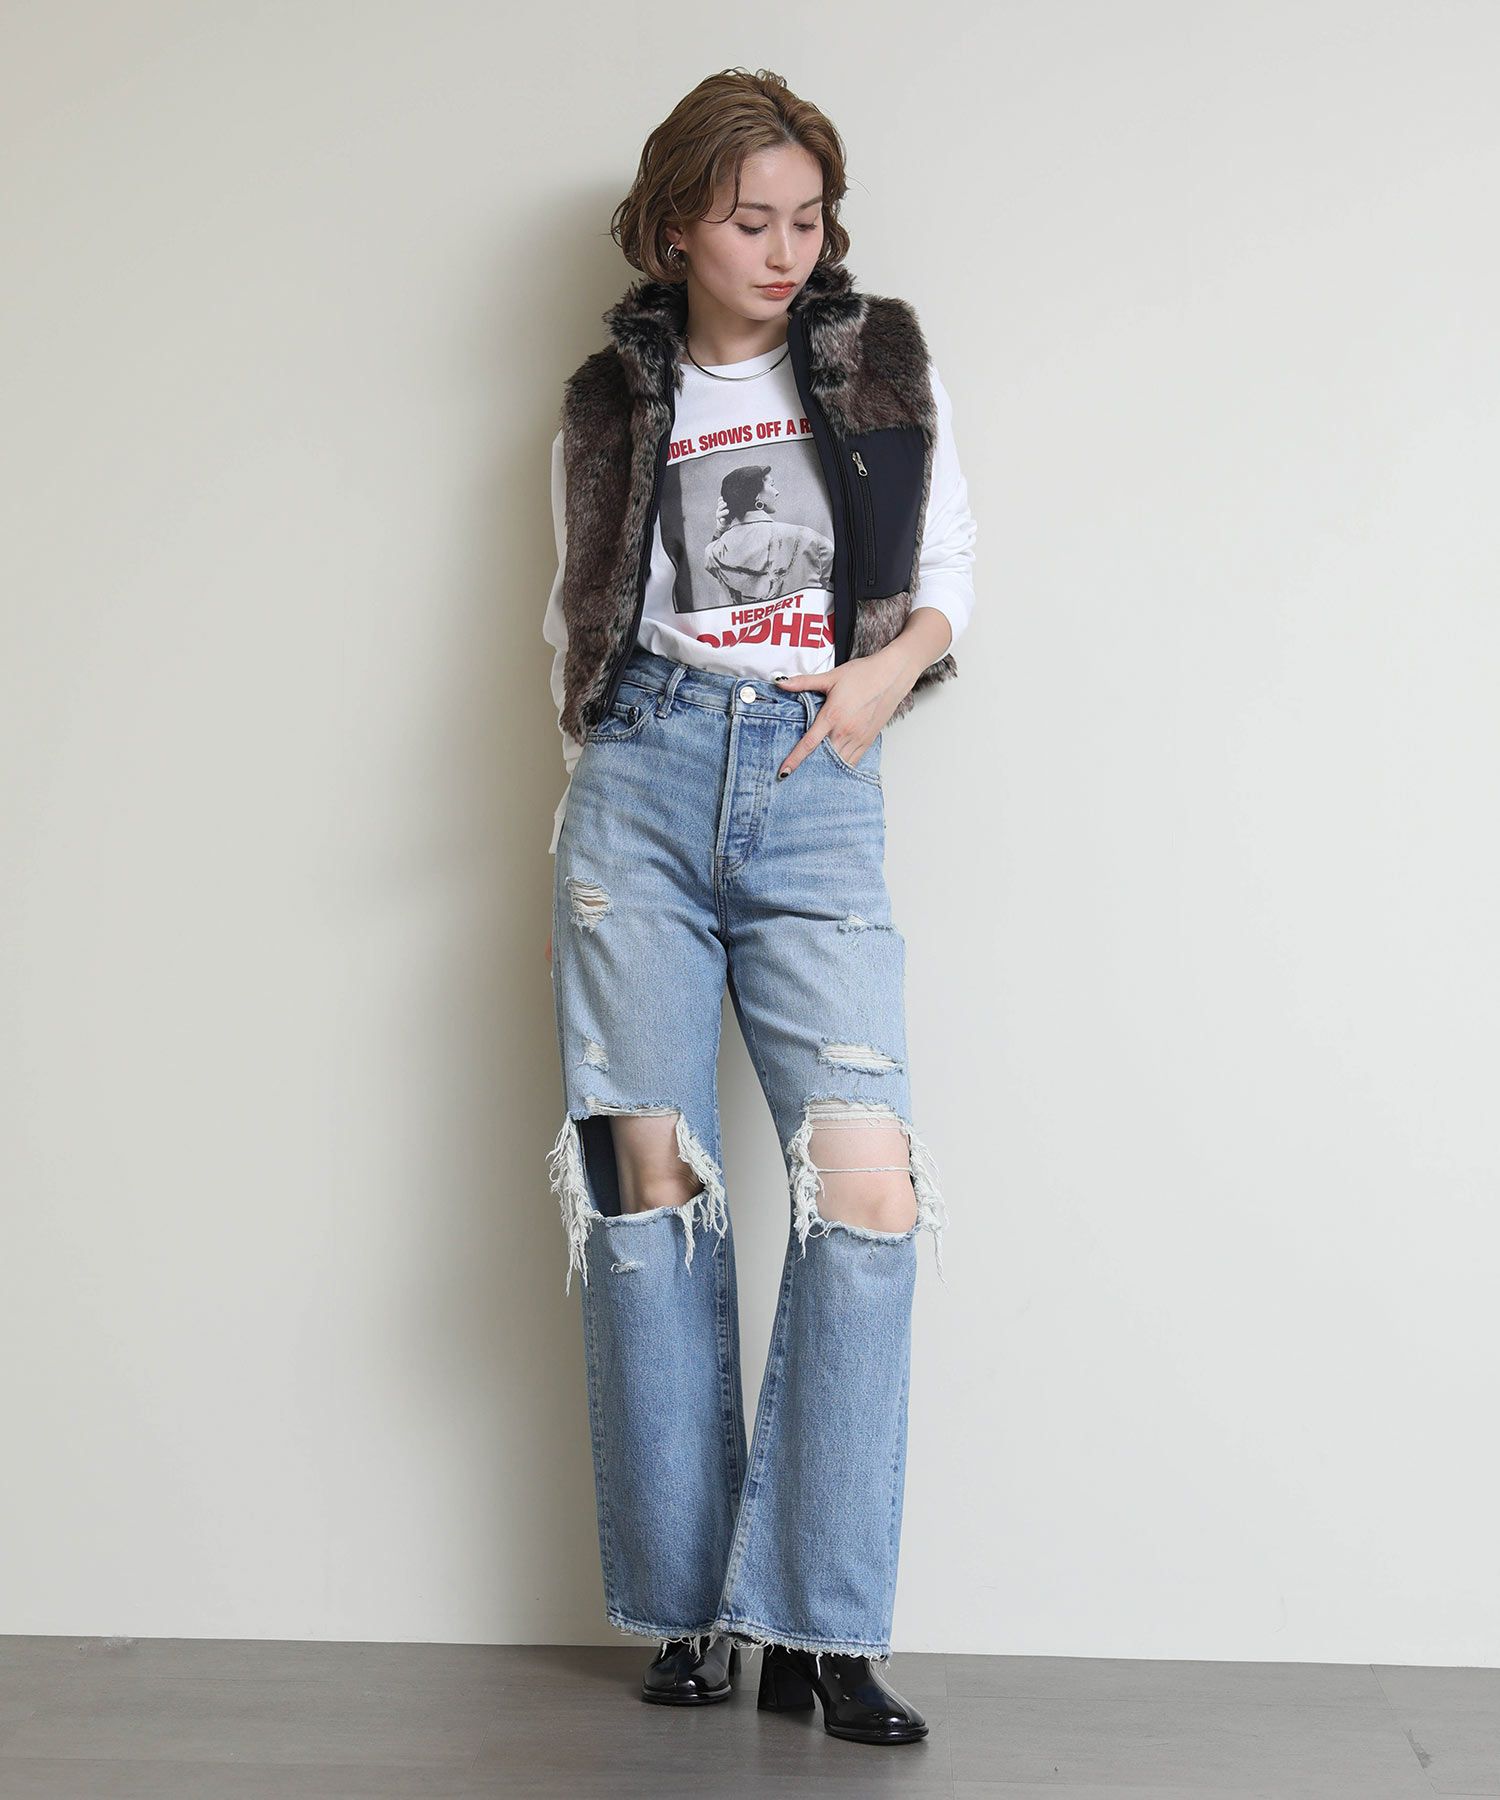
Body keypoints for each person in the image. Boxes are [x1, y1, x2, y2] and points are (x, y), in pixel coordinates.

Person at [540, 67, 977, 1748]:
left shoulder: (882, 367)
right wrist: (594, 809)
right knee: (644, 1190)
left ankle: (817, 1626)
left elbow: (946, 579)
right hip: (638, 791)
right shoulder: (608, 398)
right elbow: (573, 622)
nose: (787, 251)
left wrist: (876, 684)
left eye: (807, 219)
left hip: (815, 784)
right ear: (675, 231)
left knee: (866, 1192)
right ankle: (685, 1613)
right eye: (750, 222)